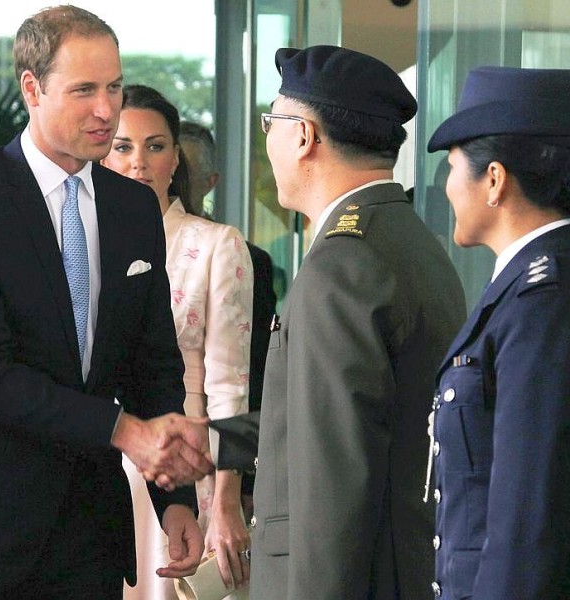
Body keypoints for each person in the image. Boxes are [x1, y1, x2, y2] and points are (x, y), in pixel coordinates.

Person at [0, 7, 211, 600]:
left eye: (113, 86)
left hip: (86, 537)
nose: (106, 109)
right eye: (84, 89)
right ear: (31, 88)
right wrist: (123, 431)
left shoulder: (134, 208)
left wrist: (175, 500)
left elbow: (153, 363)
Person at [203, 45, 466, 599]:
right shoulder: (402, 239)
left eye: (271, 122)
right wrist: (211, 440)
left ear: (303, 136)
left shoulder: (342, 265)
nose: (266, 140)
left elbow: (332, 486)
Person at [102, 84, 254, 599]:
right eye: (122, 146)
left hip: (185, 457)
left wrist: (228, 501)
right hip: (97, 457)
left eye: (155, 146)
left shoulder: (215, 244)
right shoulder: (80, 240)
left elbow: (231, 384)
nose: (138, 161)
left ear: (175, 160)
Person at [426, 66, 570, 599]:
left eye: (452, 167)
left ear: (494, 179)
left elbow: (527, 514)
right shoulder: (522, 289)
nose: (444, 186)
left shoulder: (541, 301)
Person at [178, 120, 277, 516]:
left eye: (185, 170)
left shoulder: (241, 255)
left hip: (205, 450)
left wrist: (242, 484)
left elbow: (250, 371)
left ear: (211, 181)